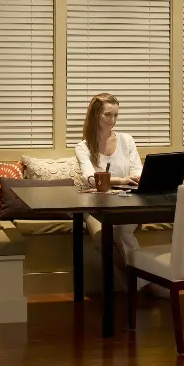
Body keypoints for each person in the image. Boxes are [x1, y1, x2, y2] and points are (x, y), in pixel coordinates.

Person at [74, 93, 157, 293]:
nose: (112, 121)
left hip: (126, 201)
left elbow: (137, 169)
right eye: (107, 115)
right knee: (102, 239)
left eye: (116, 116)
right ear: (96, 116)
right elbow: (90, 178)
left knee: (120, 230)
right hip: (95, 204)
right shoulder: (83, 147)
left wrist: (137, 178)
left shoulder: (126, 140)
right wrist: (119, 180)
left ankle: (137, 285)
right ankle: (141, 283)